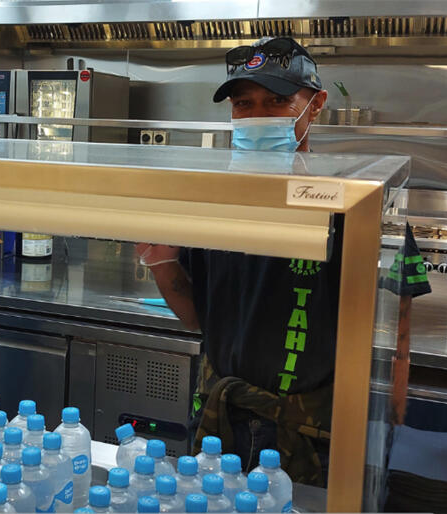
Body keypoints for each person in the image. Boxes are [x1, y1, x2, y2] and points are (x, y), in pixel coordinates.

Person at [137, 37, 336, 486]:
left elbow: (378, 326)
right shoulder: (216, 201)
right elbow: (196, 318)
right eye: (244, 104)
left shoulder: (345, 199)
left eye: (278, 101)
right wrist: (159, 259)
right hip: (216, 423)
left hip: (307, 435)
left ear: (316, 104)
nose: (259, 115)